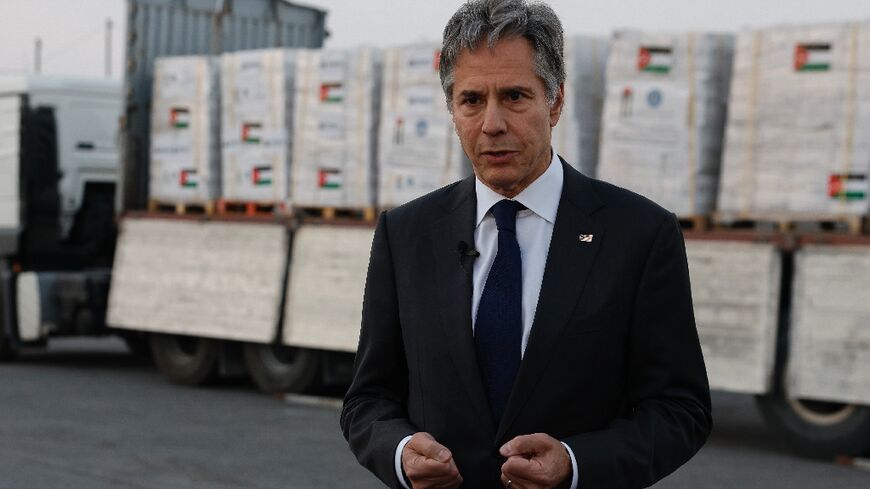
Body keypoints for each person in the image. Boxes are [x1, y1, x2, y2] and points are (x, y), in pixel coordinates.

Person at [340, 1, 712, 487]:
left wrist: (576, 463)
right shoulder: (405, 235)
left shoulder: (639, 235)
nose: (491, 123)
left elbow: (680, 410)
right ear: (452, 110)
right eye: (472, 100)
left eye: (514, 96)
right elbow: (367, 400)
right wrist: (401, 452)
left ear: (555, 103)